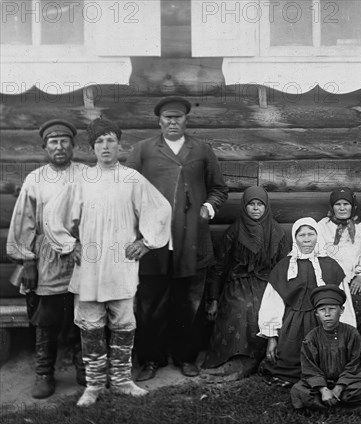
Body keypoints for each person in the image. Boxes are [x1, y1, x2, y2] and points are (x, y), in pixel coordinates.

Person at [44, 118, 172, 407]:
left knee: (124, 323)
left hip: (121, 265)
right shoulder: (81, 180)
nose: (105, 146)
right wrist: (68, 244)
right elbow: (53, 214)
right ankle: (94, 384)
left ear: (119, 144)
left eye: (110, 140)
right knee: (90, 325)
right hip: (88, 266)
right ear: (92, 147)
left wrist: (145, 241)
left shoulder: (131, 178)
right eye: (100, 141)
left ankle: (123, 380)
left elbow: (160, 208)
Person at [126, 96, 229, 380]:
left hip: (191, 239)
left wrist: (207, 209)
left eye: (178, 118)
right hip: (152, 241)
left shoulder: (201, 150)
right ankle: (150, 359)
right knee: (150, 303)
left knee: (190, 303)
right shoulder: (144, 150)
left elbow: (219, 189)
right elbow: (126, 190)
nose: (173, 122)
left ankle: (186, 357)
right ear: (159, 121)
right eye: (168, 118)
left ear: (186, 120)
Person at [6, 119, 87, 399]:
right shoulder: (35, 179)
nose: (59, 147)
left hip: (81, 255)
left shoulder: (87, 174)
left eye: (65, 141)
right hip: (47, 257)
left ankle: (85, 369)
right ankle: (44, 373)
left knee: (84, 312)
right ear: (45, 147)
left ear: (73, 146)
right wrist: (27, 260)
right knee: (47, 318)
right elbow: (24, 222)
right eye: (53, 142)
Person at [202, 186, 290, 379]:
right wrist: (213, 298)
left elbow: (284, 267)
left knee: (259, 308)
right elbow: (218, 266)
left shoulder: (277, 233)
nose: (256, 208)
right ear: (245, 206)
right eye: (251, 204)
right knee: (239, 307)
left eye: (260, 204)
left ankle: (251, 361)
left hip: (267, 283)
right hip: (239, 282)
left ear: (266, 207)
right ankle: (229, 359)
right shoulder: (234, 231)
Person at [257, 217, 356, 386]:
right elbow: (272, 303)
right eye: (302, 235)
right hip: (293, 327)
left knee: (330, 364)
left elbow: (343, 303)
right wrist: (272, 337)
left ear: (318, 237)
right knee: (286, 363)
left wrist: (347, 332)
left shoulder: (331, 265)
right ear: (295, 239)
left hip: (324, 324)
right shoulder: (284, 267)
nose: (307, 239)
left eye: (311, 234)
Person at [290, 285, 361, 416]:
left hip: (347, 384)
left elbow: (356, 364)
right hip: (319, 385)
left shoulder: (352, 333)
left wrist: (339, 388)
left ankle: (321, 408)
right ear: (316, 313)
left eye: (332, 309)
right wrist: (323, 389)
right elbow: (309, 369)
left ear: (341, 310)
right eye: (322, 310)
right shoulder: (311, 338)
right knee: (298, 391)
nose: (327, 314)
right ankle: (349, 410)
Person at [318, 187, 361, 336]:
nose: (342, 208)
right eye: (338, 204)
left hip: (352, 279)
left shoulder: (360, 228)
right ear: (332, 207)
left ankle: (354, 340)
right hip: (328, 279)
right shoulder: (322, 227)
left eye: (346, 204)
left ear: (353, 206)